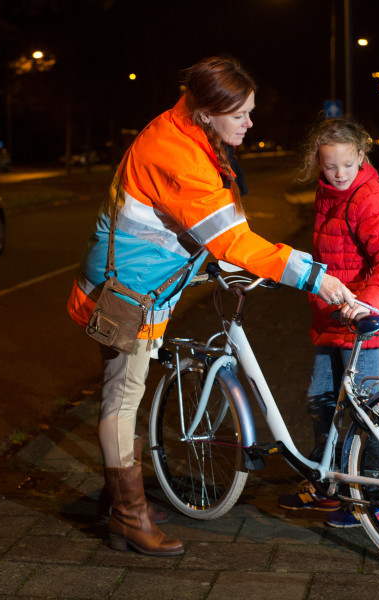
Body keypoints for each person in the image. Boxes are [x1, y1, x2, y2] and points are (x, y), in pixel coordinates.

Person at [67, 56, 354, 556]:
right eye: (240, 114)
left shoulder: (189, 133)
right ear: (206, 112)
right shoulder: (176, 154)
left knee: (127, 393)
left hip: (145, 284)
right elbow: (230, 238)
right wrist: (312, 276)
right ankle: (128, 518)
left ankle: (118, 504)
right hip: (127, 294)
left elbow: (212, 220)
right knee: (123, 395)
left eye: (250, 111)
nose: (249, 123)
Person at [277, 118, 379, 527]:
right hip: (332, 319)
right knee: (322, 402)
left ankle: (369, 499)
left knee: (361, 411)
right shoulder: (328, 194)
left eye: (346, 166)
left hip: (362, 323)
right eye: (329, 166)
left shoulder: (370, 197)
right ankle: (330, 483)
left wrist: (368, 303)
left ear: (362, 157)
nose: (338, 174)